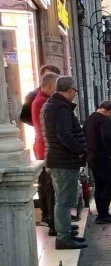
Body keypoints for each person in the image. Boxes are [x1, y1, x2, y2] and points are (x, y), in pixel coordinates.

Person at [42, 76, 88, 250]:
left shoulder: (52, 105)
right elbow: (65, 135)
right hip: (63, 161)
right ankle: (64, 237)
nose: (75, 94)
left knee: (63, 199)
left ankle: (65, 230)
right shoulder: (60, 108)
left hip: (59, 160)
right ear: (70, 90)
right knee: (64, 201)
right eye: (75, 91)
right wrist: (80, 150)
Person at [31, 72, 59, 235]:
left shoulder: (41, 100)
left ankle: (57, 222)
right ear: (49, 86)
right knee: (51, 189)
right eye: (56, 87)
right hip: (46, 150)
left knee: (50, 187)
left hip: (44, 148)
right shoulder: (43, 101)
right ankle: (55, 224)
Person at [83, 101, 111, 223]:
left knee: (100, 185)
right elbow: (106, 138)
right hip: (102, 156)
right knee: (110, 185)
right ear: (110, 110)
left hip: (91, 157)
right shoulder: (103, 120)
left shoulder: (89, 119)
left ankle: (102, 213)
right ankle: (103, 214)